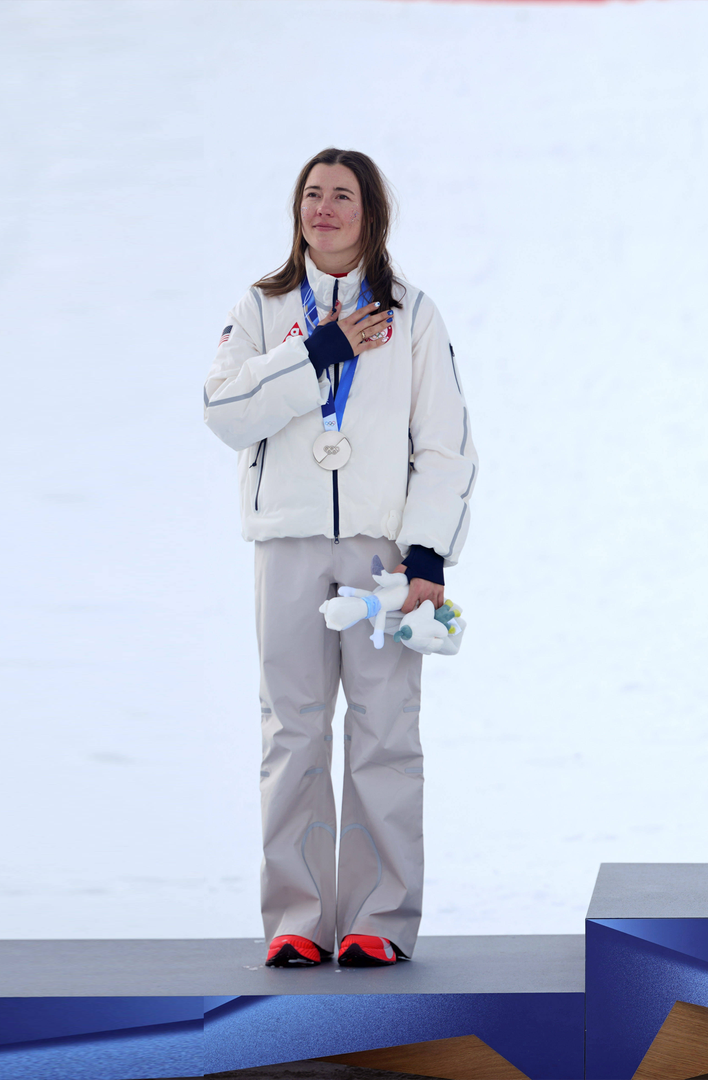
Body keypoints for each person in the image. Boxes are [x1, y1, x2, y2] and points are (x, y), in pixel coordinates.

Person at [203, 149, 476, 967]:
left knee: (385, 730)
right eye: (312, 194)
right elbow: (224, 411)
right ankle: (297, 919)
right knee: (291, 732)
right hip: (285, 542)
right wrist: (318, 351)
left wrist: (427, 556)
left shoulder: (413, 314)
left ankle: (377, 920)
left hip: (380, 555)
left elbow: (445, 444)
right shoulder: (261, 308)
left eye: (341, 196)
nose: (323, 208)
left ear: (370, 214)